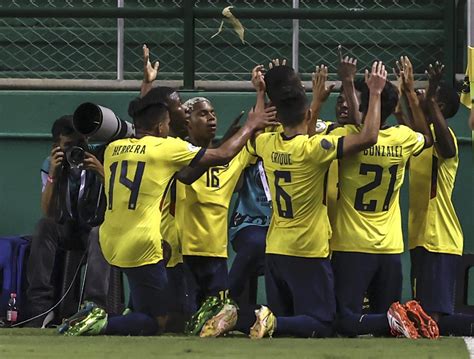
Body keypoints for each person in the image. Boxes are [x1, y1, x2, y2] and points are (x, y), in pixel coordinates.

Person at [60, 84, 277, 336]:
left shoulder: (113, 149)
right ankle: (101, 322)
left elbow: (181, 173)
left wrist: (146, 88)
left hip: (111, 240)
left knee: (148, 307)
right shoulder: (167, 148)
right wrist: (251, 124)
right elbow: (222, 155)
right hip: (144, 243)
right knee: (159, 322)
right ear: (161, 126)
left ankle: (109, 314)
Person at [201, 60, 387, 339]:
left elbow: (260, 127)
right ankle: (249, 317)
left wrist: (261, 93)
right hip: (307, 250)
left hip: (276, 247)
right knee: (322, 324)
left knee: (289, 325)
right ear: (309, 111)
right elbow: (370, 136)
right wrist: (374, 92)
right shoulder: (316, 148)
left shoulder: (266, 144)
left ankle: (243, 317)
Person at [328, 55, 438, 339]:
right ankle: (400, 318)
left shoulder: (348, 135)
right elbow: (427, 137)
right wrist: (401, 96)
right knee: (387, 324)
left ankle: (394, 320)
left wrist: (350, 81)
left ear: (367, 106)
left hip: (352, 244)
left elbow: (360, 123)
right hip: (390, 247)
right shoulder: (403, 137)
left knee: (344, 321)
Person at [407, 61, 474, 336]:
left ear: (440, 108)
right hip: (420, 237)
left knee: (431, 321)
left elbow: (444, 147)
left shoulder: (447, 141)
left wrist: (430, 96)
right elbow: (409, 116)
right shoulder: (422, 138)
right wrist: (410, 89)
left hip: (440, 238)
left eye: (430, 98)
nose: (422, 98)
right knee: (422, 316)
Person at [25, 115, 110, 328]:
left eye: (81, 144)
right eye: (69, 145)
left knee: (99, 233)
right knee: (44, 227)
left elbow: (120, 198)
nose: (76, 150)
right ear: (57, 147)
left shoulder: (99, 158)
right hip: (66, 229)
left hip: (94, 229)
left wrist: (101, 172)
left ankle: (93, 306)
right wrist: (54, 173)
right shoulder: (51, 164)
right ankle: (40, 309)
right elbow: (48, 212)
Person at [176, 96, 254, 311]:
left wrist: (260, 90)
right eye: (202, 113)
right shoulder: (177, 152)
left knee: (215, 318)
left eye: (212, 113)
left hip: (217, 253)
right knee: (184, 319)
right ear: (187, 122)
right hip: (183, 252)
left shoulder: (233, 155)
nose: (211, 118)